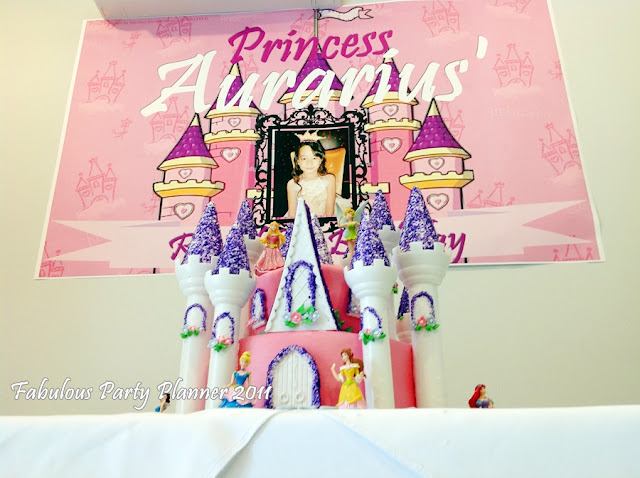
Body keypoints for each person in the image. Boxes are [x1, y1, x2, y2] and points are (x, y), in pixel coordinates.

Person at [286, 140, 336, 217]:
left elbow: (329, 211)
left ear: (321, 160)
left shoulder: (329, 179)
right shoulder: (292, 184)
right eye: (304, 159)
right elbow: (292, 214)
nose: (309, 163)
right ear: (298, 161)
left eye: (314, 158)